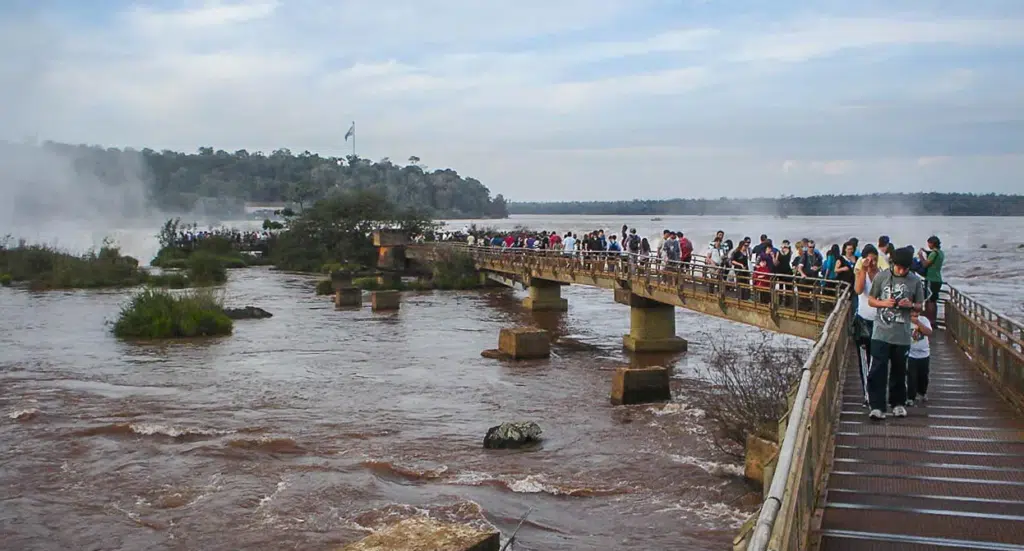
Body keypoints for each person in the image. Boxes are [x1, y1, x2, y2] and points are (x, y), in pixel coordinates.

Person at [866, 246, 926, 420]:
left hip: (902, 334)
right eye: (899, 267)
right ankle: (877, 406)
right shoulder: (882, 276)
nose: (902, 271)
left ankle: (898, 404)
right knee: (878, 370)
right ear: (893, 264)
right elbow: (871, 300)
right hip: (881, 332)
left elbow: (920, 306)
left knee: (900, 370)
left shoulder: (915, 280)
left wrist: (911, 305)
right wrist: (884, 303)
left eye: (906, 268)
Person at [853, 245, 881, 405]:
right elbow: (858, 290)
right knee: (864, 360)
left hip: (880, 322)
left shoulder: (882, 275)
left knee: (877, 359)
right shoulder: (860, 273)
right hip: (863, 322)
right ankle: (868, 394)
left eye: (875, 259)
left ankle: (878, 391)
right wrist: (863, 269)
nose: (872, 262)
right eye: (869, 259)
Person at [907, 309, 933, 406]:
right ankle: (910, 396)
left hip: (924, 353)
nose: (914, 314)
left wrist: (918, 323)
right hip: (910, 353)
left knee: (923, 375)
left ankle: (922, 392)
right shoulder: (905, 320)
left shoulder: (924, 319)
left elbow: (929, 332)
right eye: (912, 312)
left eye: (917, 312)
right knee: (911, 376)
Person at [918, 235, 944, 323]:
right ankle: (934, 320)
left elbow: (925, 264)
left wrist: (920, 256)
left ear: (932, 243)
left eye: (929, 243)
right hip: (938, 279)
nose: (928, 245)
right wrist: (925, 251)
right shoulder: (940, 253)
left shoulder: (934, 253)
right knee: (934, 300)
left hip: (931, 279)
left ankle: (929, 321)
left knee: (930, 301)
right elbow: (932, 256)